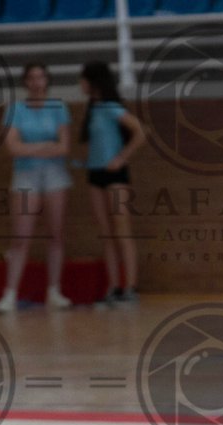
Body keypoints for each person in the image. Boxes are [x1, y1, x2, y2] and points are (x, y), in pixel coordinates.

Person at [0, 62, 71, 314]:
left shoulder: (59, 107)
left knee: (56, 234)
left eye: (41, 77)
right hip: (25, 175)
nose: (37, 82)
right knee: (21, 236)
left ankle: (54, 291)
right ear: (25, 82)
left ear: (47, 81)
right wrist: (44, 146)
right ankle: (9, 294)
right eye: (32, 78)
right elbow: (12, 147)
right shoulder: (15, 109)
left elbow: (63, 147)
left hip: (55, 175)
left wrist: (30, 148)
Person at [78, 61, 145, 307]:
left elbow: (140, 132)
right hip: (95, 175)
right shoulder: (92, 109)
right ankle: (114, 287)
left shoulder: (111, 108)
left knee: (122, 230)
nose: (81, 84)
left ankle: (131, 287)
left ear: (93, 81)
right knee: (106, 233)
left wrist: (121, 158)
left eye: (83, 79)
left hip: (116, 176)